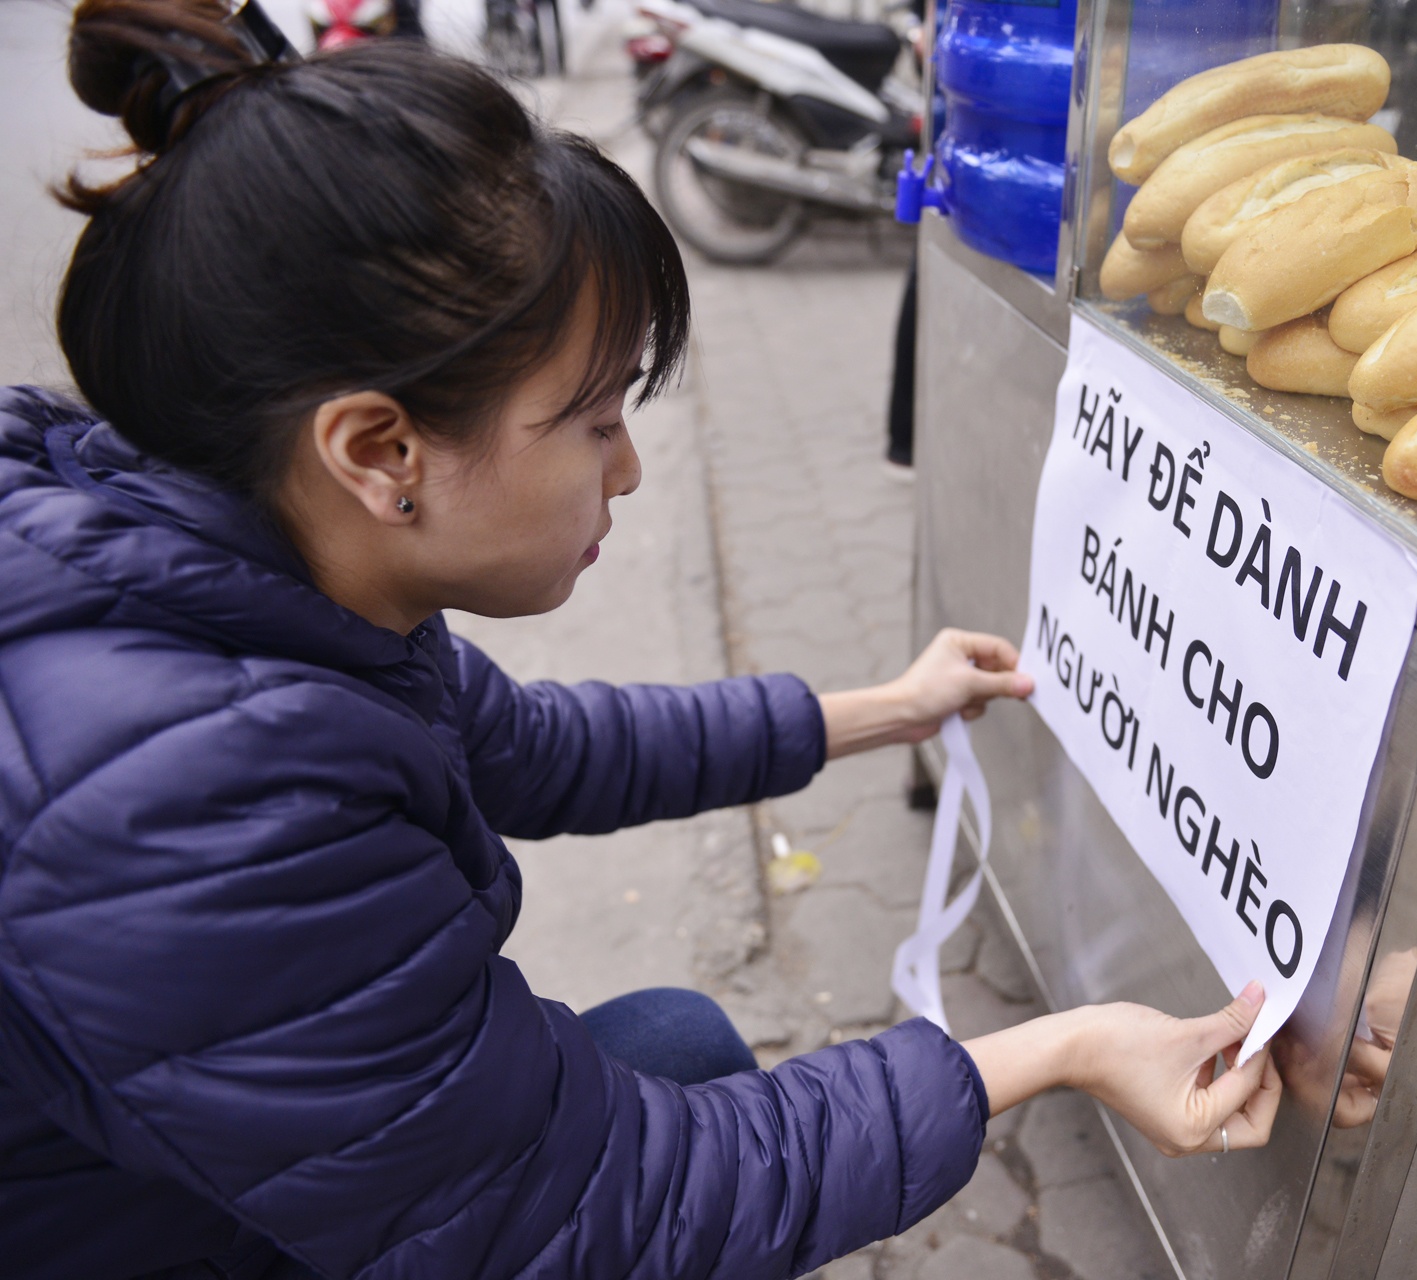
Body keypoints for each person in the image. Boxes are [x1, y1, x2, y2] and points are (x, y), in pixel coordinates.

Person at [0, 3, 1285, 1278]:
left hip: (219, 1187)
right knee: (680, 1080)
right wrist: (1064, 1048)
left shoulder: (234, 562)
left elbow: (533, 747)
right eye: (594, 420)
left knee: (675, 1041)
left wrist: (893, 704)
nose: (625, 471)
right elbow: (598, 1207)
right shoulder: (202, 799)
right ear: (381, 450)